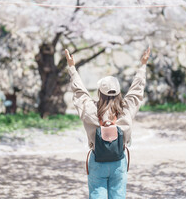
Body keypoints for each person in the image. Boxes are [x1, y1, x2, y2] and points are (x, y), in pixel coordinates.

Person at [65, 47, 151, 199]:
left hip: (97, 160)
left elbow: (80, 92)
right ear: (119, 92)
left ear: (99, 92)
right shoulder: (126, 109)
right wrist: (142, 65)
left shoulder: (91, 110)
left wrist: (72, 68)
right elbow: (137, 90)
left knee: (97, 195)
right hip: (119, 161)